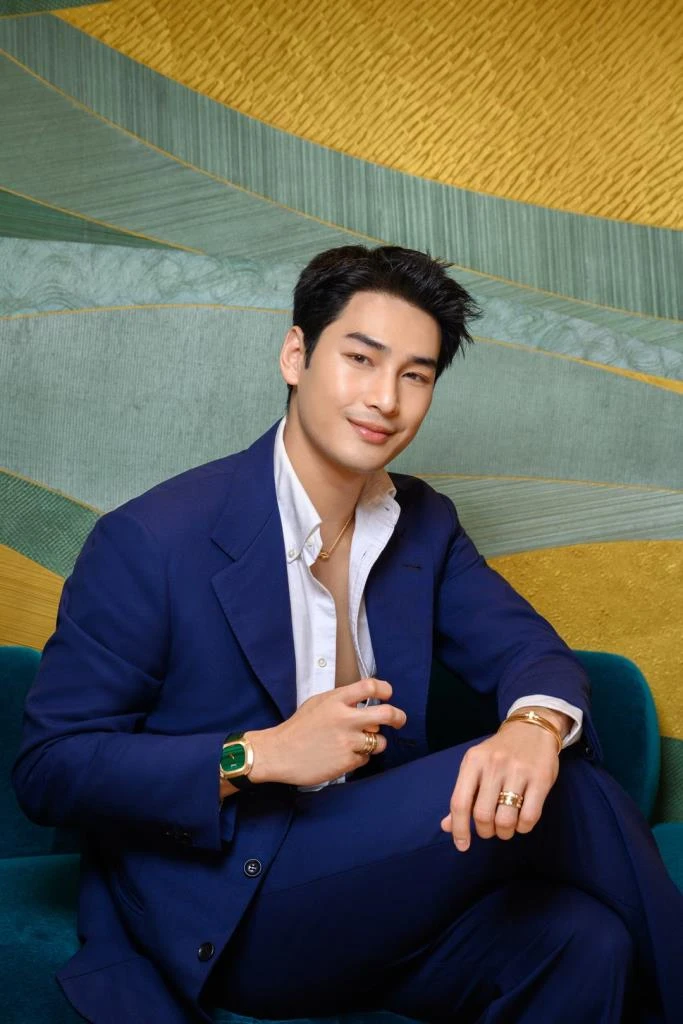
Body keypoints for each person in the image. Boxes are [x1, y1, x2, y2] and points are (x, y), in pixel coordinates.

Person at [13, 245, 683, 1024]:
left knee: (584, 942)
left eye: (415, 375)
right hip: (231, 908)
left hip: (372, 891)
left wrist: (532, 726)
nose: (384, 399)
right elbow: (49, 768)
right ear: (295, 356)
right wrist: (258, 754)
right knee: (568, 790)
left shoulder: (422, 524)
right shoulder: (153, 539)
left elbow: (528, 651)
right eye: (360, 359)